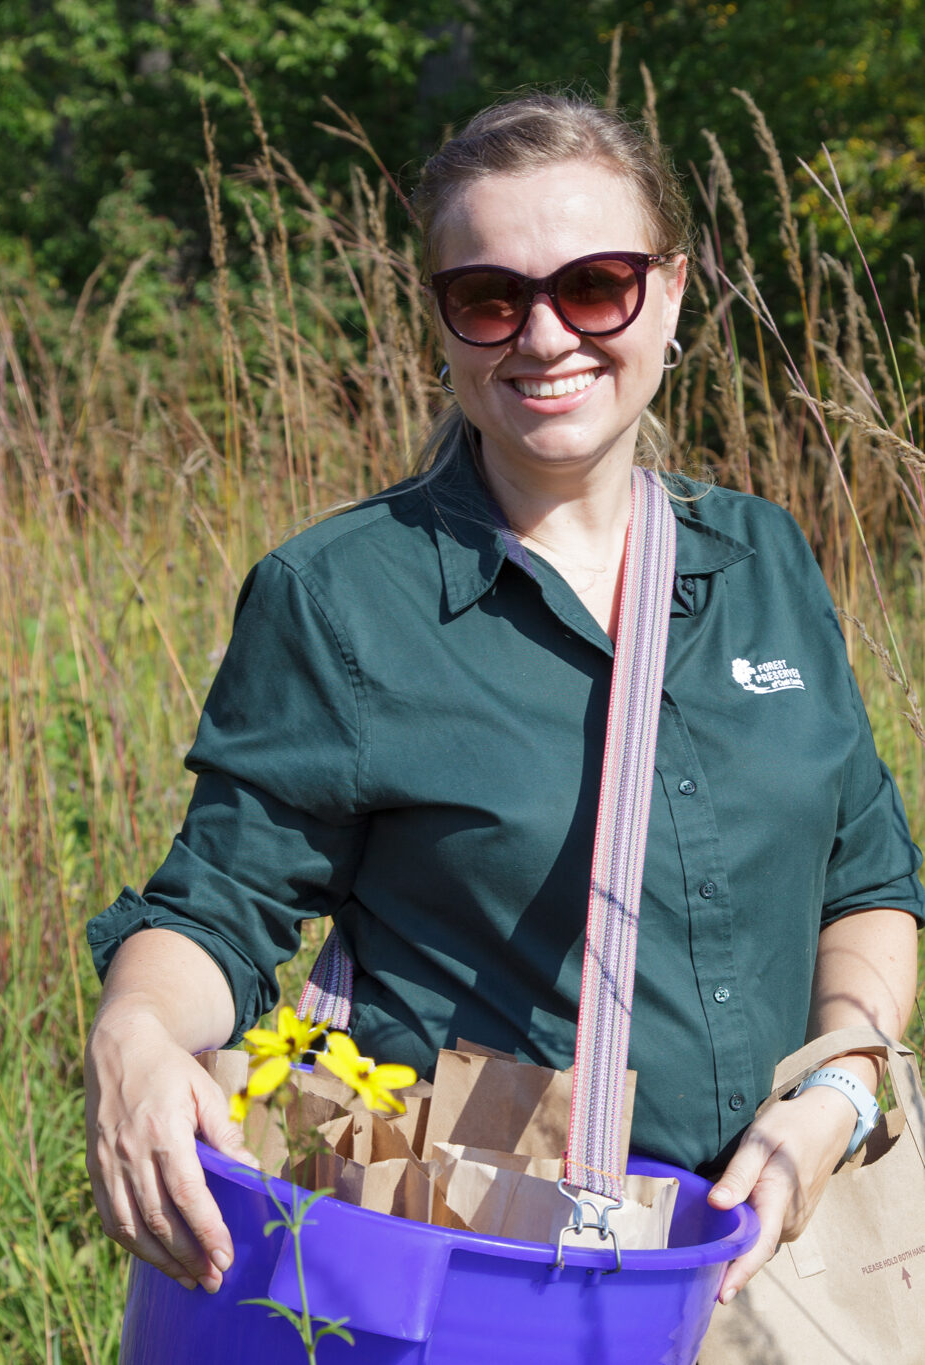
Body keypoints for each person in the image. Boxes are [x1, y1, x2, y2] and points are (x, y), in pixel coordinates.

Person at [84, 92, 923, 1309]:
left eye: (594, 285)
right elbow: (217, 911)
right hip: (504, 1264)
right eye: (489, 298)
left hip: (802, 1247)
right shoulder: (342, 599)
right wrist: (135, 1034)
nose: (544, 336)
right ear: (444, 322)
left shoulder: (764, 559)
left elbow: (869, 884)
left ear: (673, 292)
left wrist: (835, 1097)